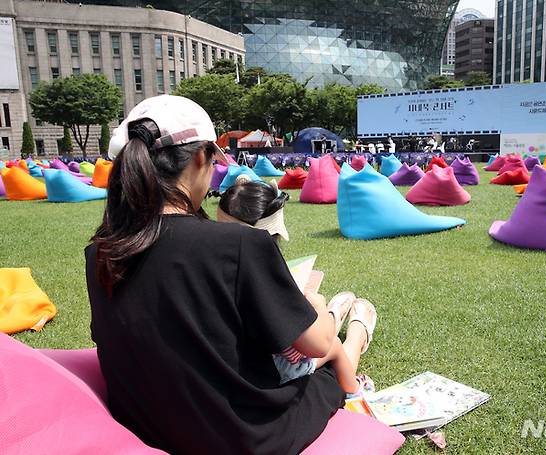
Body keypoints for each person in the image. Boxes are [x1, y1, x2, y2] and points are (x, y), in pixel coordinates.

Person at [87, 95, 377, 455]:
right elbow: (315, 345)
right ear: (199, 158)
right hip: (242, 434)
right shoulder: (237, 244)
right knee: (329, 361)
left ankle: (335, 315)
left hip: (150, 426)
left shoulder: (102, 251)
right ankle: (357, 336)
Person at [215, 179, 375, 393]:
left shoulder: (215, 269)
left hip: (241, 364)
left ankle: (334, 316)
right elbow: (316, 347)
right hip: (276, 369)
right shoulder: (266, 287)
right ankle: (354, 385)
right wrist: (318, 306)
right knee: (334, 345)